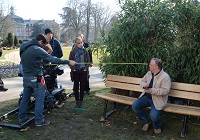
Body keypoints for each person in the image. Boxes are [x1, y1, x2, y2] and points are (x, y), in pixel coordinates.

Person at [18, 33, 76, 127]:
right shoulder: (37, 49)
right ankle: (39, 121)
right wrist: (68, 61)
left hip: (26, 77)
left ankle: (21, 118)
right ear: (40, 41)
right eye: (43, 45)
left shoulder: (23, 45)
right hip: (36, 78)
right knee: (40, 99)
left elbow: (27, 59)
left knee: (25, 98)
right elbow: (53, 59)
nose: (43, 47)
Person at [132, 58, 171, 134]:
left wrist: (152, 90)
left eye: (151, 65)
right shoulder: (149, 73)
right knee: (135, 105)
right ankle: (146, 122)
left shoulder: (165, 76)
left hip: (158, 100)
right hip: (147, 97)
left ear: (156, 67)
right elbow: (142, 81)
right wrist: (144, 85)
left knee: (153, 115)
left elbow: (165, 90)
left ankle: (157, 126)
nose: (149, 66)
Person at [69, 37, 91, 108]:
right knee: (76, 87)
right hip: (76, 71)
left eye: (81, 42)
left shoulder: (85, 51)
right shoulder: (73, 52)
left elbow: (88, 61)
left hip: (83, 71)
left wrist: (86, 68)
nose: (80, 44)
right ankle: (77, 101)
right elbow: (69, 62)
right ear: (76, 44)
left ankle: (81, 101)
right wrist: (73, 69)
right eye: (78, 43)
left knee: (82, 86)